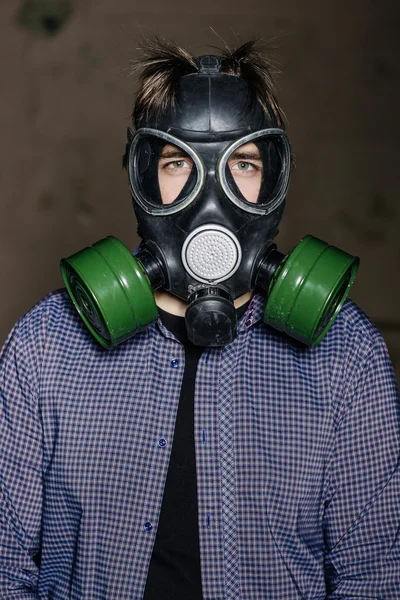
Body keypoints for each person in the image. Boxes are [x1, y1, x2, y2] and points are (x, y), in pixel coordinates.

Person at [0, 38, 399, 600]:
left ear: (274, 179)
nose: (210, 195)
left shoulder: (347, 357)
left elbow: (375, 581)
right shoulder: (47, 345)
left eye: (242, 163)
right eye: (176, 163)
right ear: (141, 178)